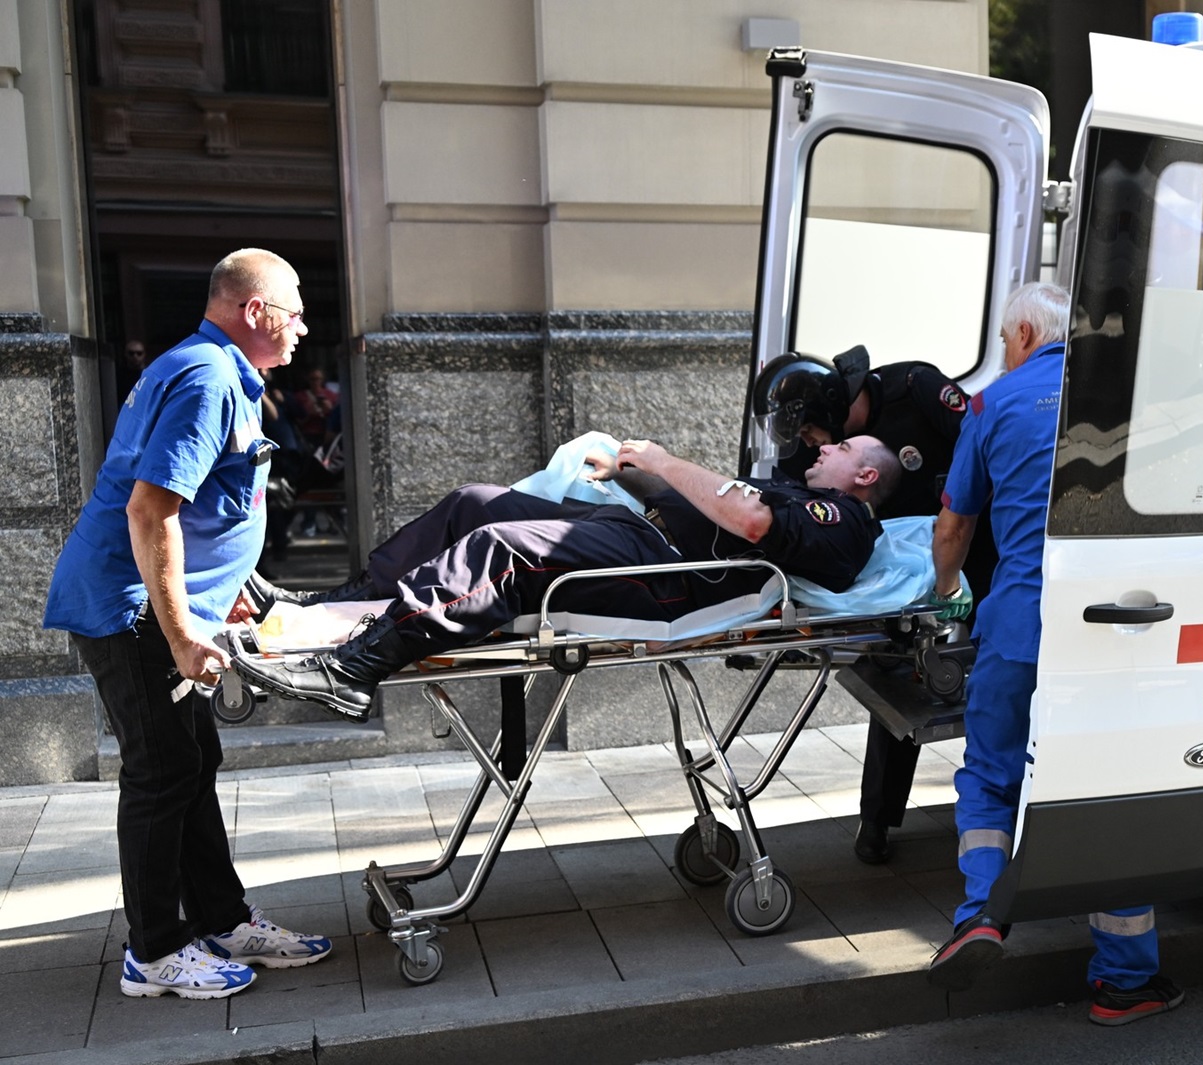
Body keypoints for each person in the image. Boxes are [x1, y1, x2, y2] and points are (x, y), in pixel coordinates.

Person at [42, 248, 333, 1001]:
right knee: (161, 770)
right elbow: (151, 509)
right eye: (294, 308)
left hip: (151, 603)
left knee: (190, 762)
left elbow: (202, 508)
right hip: (131, 610)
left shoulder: (213, 369)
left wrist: (227, 588)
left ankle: (222, 918)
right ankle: (156, 951)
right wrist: (178, 631)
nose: (304, 323)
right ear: (254, 311)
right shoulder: (207, 379)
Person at [925, 282, 1183, 1026]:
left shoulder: (992, 403)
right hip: (1110, 626)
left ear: (1026, 332)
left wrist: (943, 594)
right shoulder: (1130, 397)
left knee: (993, 773)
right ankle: (1123, 980)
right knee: (1109, 785)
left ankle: (979, 915)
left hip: (1018, 622)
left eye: (1007, 342)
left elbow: (953, 529)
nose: (1006, 355)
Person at [235, 436, 902, 720]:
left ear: (866, 476)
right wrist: (632, 469)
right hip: (644, 536)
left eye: (841, 450)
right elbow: (721, 501)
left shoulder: (843, 517)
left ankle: (355, 668)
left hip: (672, 578)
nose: (824, 448)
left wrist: (666, 462)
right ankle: (330, 607)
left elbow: (749, 523)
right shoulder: (796, 488)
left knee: (503, 550)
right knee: (475, 501)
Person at [753, 345, 990, 865]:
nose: (815, 448)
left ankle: (1000, 806)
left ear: (832, 412)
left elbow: (985, 444)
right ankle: (877, 818)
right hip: (897, 571)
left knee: (995, 681)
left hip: (977, 546)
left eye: (817, 436)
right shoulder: (818, 445)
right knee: (897, 677)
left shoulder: (918, 390)